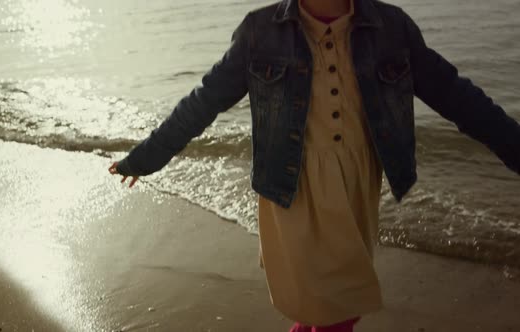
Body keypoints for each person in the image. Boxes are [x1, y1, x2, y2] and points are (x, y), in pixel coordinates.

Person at [108, 0, 520, 330]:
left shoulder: (392, 27)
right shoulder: (260, 31)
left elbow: (454, 95)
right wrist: (148, 157)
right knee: (341, 303)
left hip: (358, 182)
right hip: (292, 187)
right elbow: (204, 101)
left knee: (332, 304)